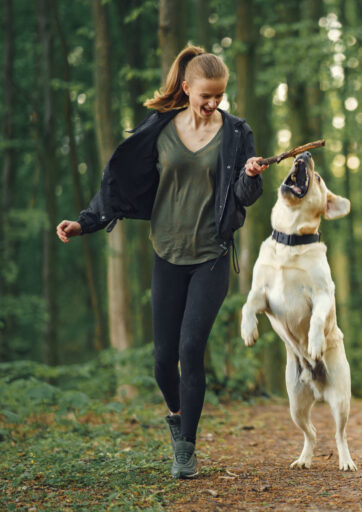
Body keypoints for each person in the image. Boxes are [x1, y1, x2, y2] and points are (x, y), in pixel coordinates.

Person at [56, 45, 269, 479]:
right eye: (206, 95)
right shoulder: (159, 130)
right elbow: (120, 179)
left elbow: (245, 199)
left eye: (220, 96)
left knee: (191, 350)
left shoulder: (236, 133)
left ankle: (186, 450)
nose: (213, 104)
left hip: (211, 254)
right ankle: (176, 415)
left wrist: (250, 177)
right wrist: (86, 223)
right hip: (167, 253)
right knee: (162, 359)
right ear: (187, 88)